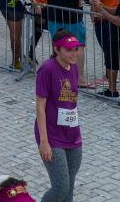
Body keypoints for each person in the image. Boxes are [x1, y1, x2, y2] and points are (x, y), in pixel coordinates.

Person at [35, 30, 83, 202]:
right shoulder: (47, 69)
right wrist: (44, 141)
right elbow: (40, 106)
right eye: (69, 49)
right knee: (61, 187)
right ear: (57, 50)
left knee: (69, 188)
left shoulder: (74, 68)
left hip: (72, 134)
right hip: (52, 135)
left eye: (76, 49)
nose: (74, 53)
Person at [39, 0, 90, 89]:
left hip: (54, 15)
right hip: (72, 16)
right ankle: (80, 77)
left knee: (58, 45)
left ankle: (59, 74)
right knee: (78, 45)